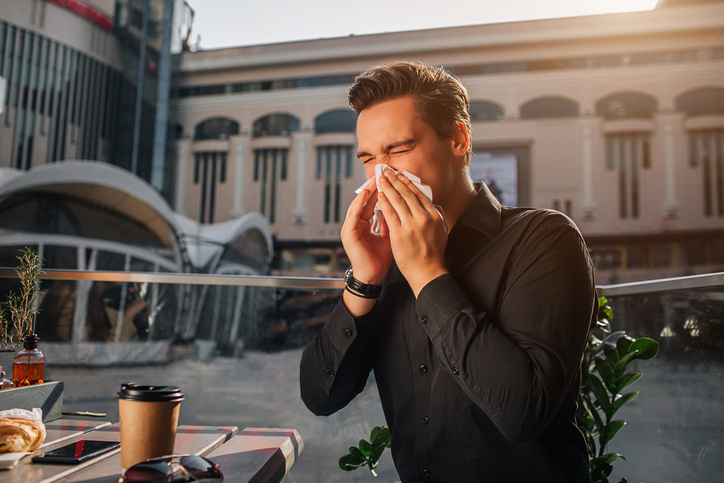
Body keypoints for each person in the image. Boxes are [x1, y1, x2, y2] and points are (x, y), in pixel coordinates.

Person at [300, 61, 597, 482]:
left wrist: (426, 273)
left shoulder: (543, 237)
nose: (381, 174)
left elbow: (521, 412)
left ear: (458, 139)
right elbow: (320, 396)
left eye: (399, 149)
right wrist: (365, 280)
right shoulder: (387, 262)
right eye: (369, 158)